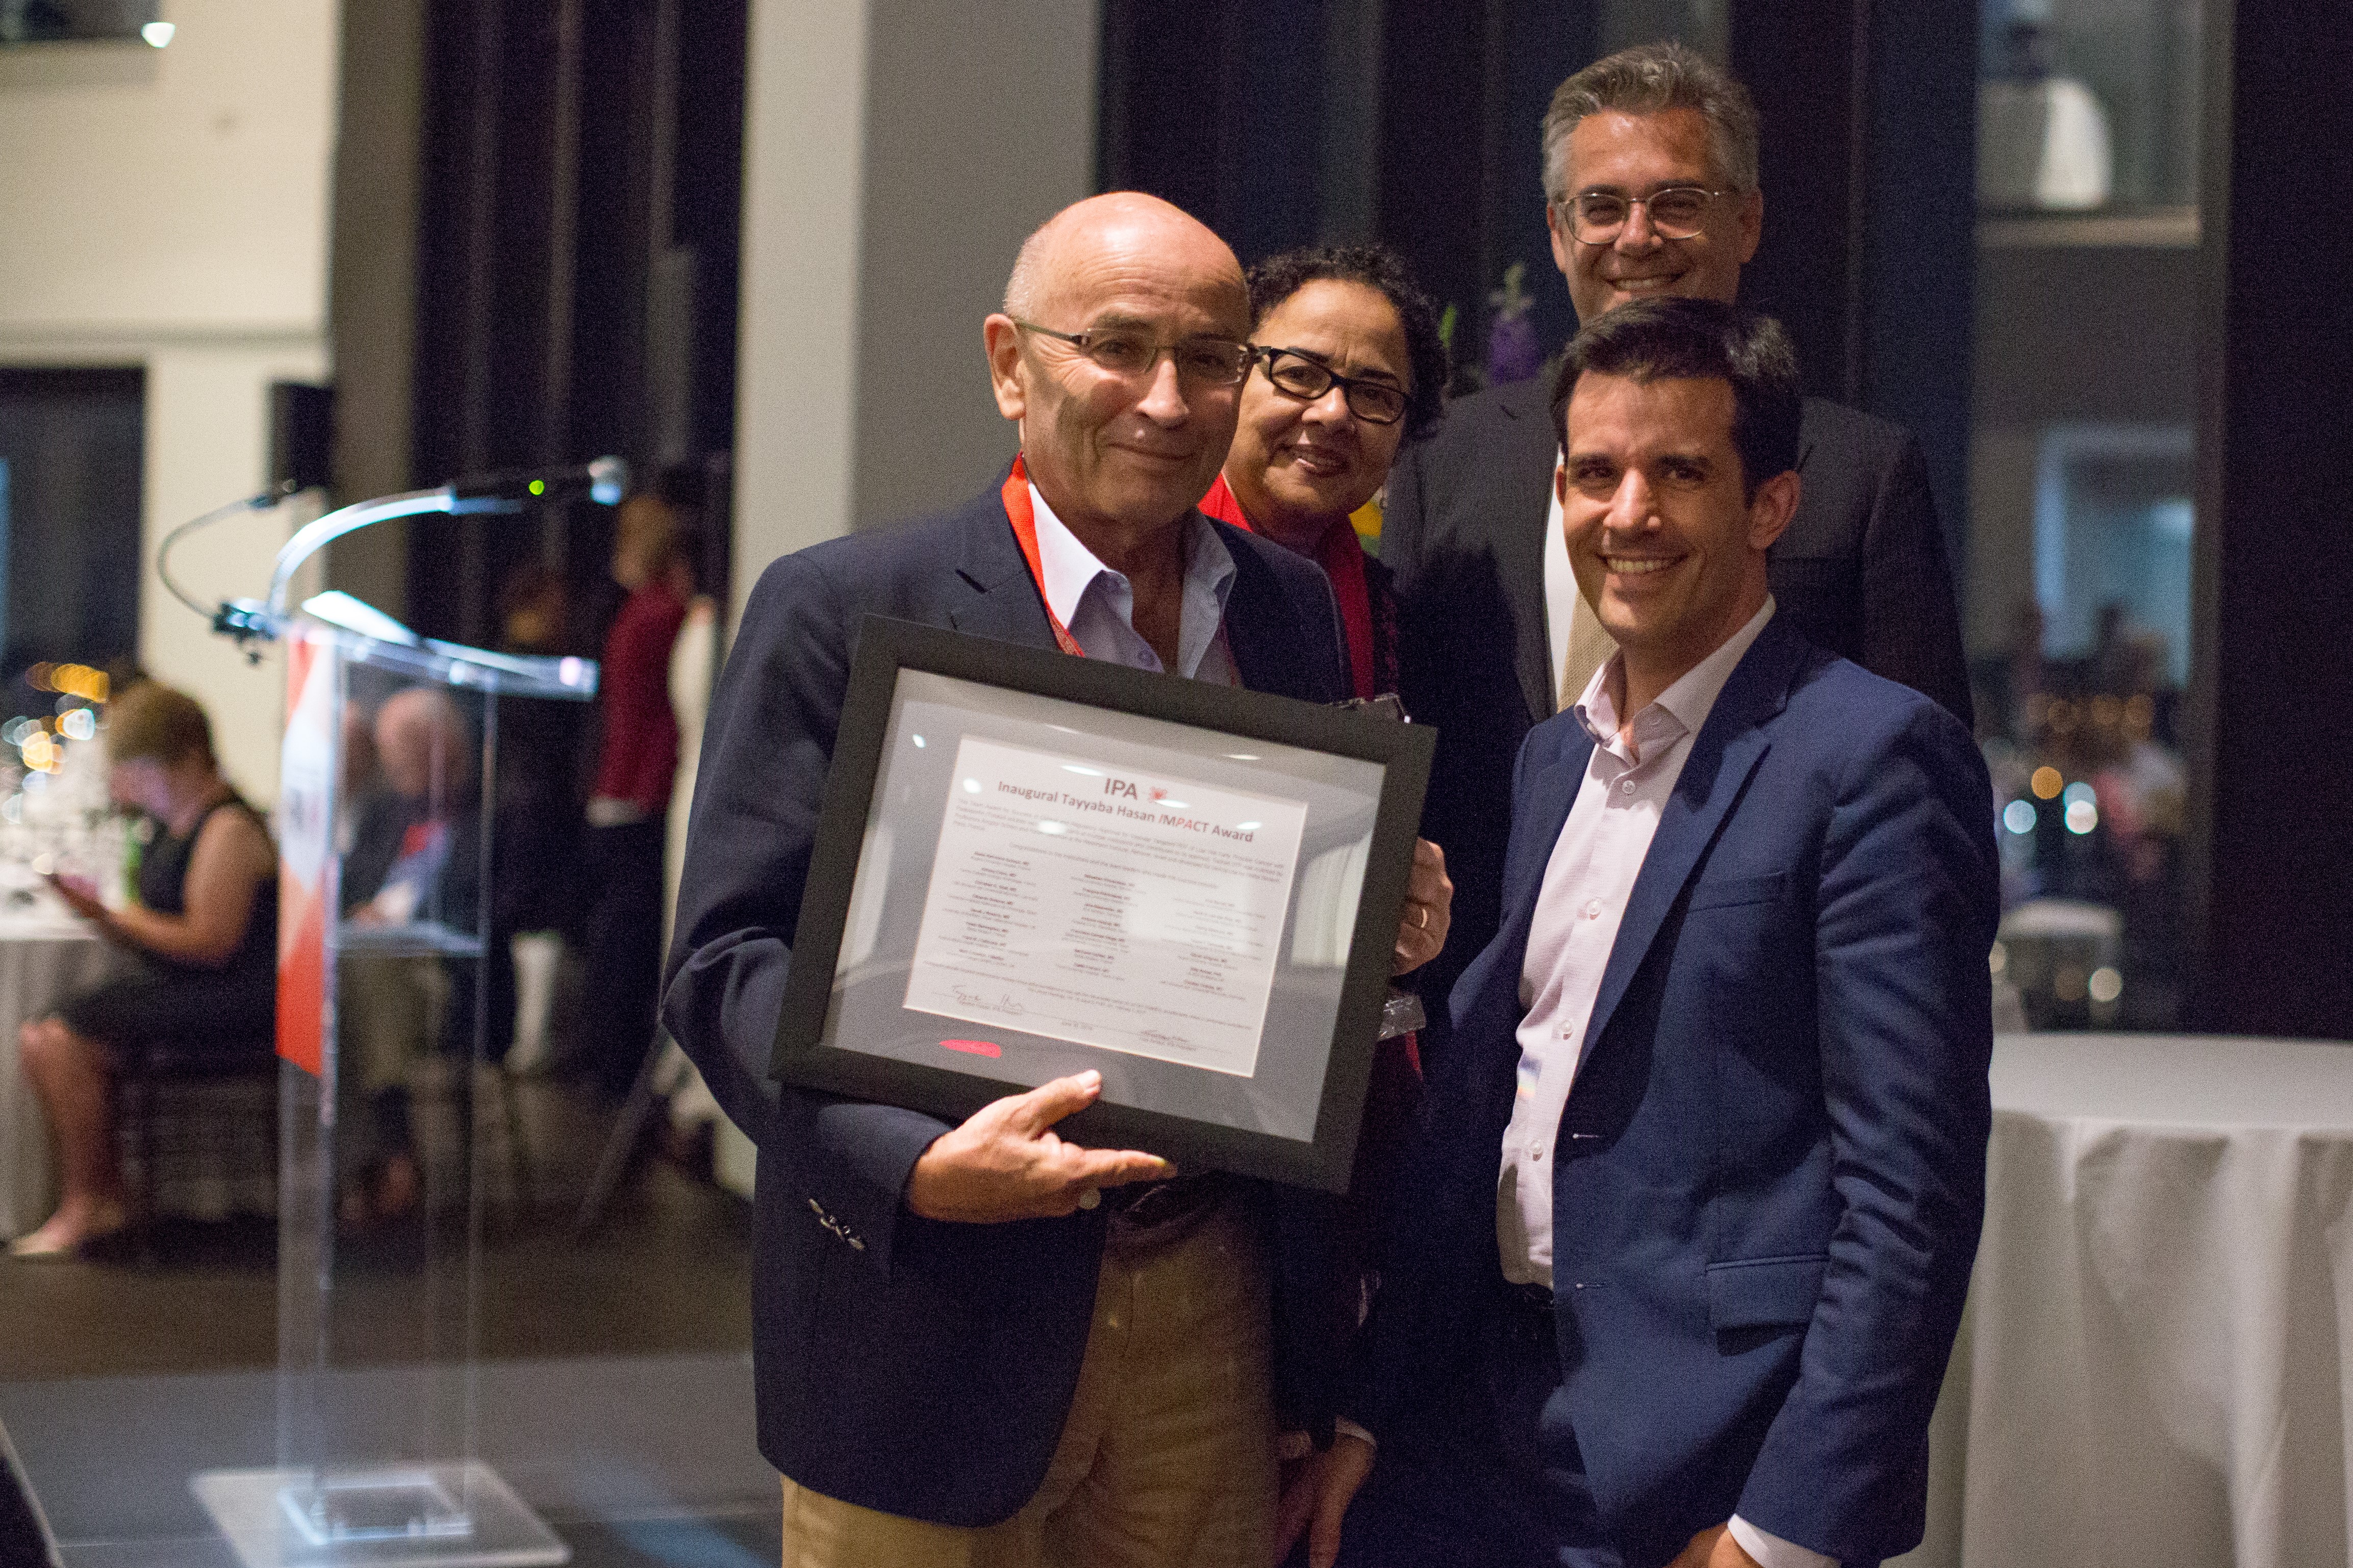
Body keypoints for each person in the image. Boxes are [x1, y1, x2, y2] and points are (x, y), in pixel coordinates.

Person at [663, 190, 1452, 1565]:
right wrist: (908, 1164)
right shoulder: (845, 606)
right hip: (929, 1318)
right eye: (1118, 346)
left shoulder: (1286, 614)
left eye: (1211, 358)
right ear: (1008, 364)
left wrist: (1370, 932)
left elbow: (1271, 959)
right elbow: (726, 960)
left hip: (1210, 1309)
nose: (1166, 397)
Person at [1299, 299, 1997, 1568]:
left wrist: (1783, 1532)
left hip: (1707, 1456)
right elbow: (1488, 1107)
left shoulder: (1875, 760)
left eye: (1681, 472)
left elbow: (1913, 1198)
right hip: (1474, 1428)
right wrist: (1368, 1407)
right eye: (1600, 473)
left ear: (1770, 505)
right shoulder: (1548, 761)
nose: (1631, 514)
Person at [1383, 41, 1974, 1068]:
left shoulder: (1853, 472)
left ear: (1744, 222)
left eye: (1676, 204)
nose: (1636, 238)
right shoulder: (1446, 458)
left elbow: (1929, 829)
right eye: (1601, 207)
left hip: (1737, 1056)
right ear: (1560, 234)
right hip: (1474, 1048)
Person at [10, 682, 278, 1257]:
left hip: (234, 999)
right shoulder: (174, 824)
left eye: (136, 768)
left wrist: (111, 916)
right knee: (43, 1034)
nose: (127, 783)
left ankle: (91, 1203)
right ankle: (102, 1193)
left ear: (181, 761)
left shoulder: (228, 828)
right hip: (189, 986)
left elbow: (212, 941)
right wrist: (102, 915)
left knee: (57, 1037)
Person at [1199, 243, 1448, 702]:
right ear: (1230, 374)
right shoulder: (1148, 564)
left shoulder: (1392, 622)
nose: (1332, 414)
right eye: (1299, 374)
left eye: (1375, 394)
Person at [575, 476, 697, 1097]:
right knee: (629, 944)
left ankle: (609, 1065)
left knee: (614, 941)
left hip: (614, 787)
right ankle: (621, 1068)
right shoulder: (663, 614)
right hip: (641, 791)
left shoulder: (632, 613)